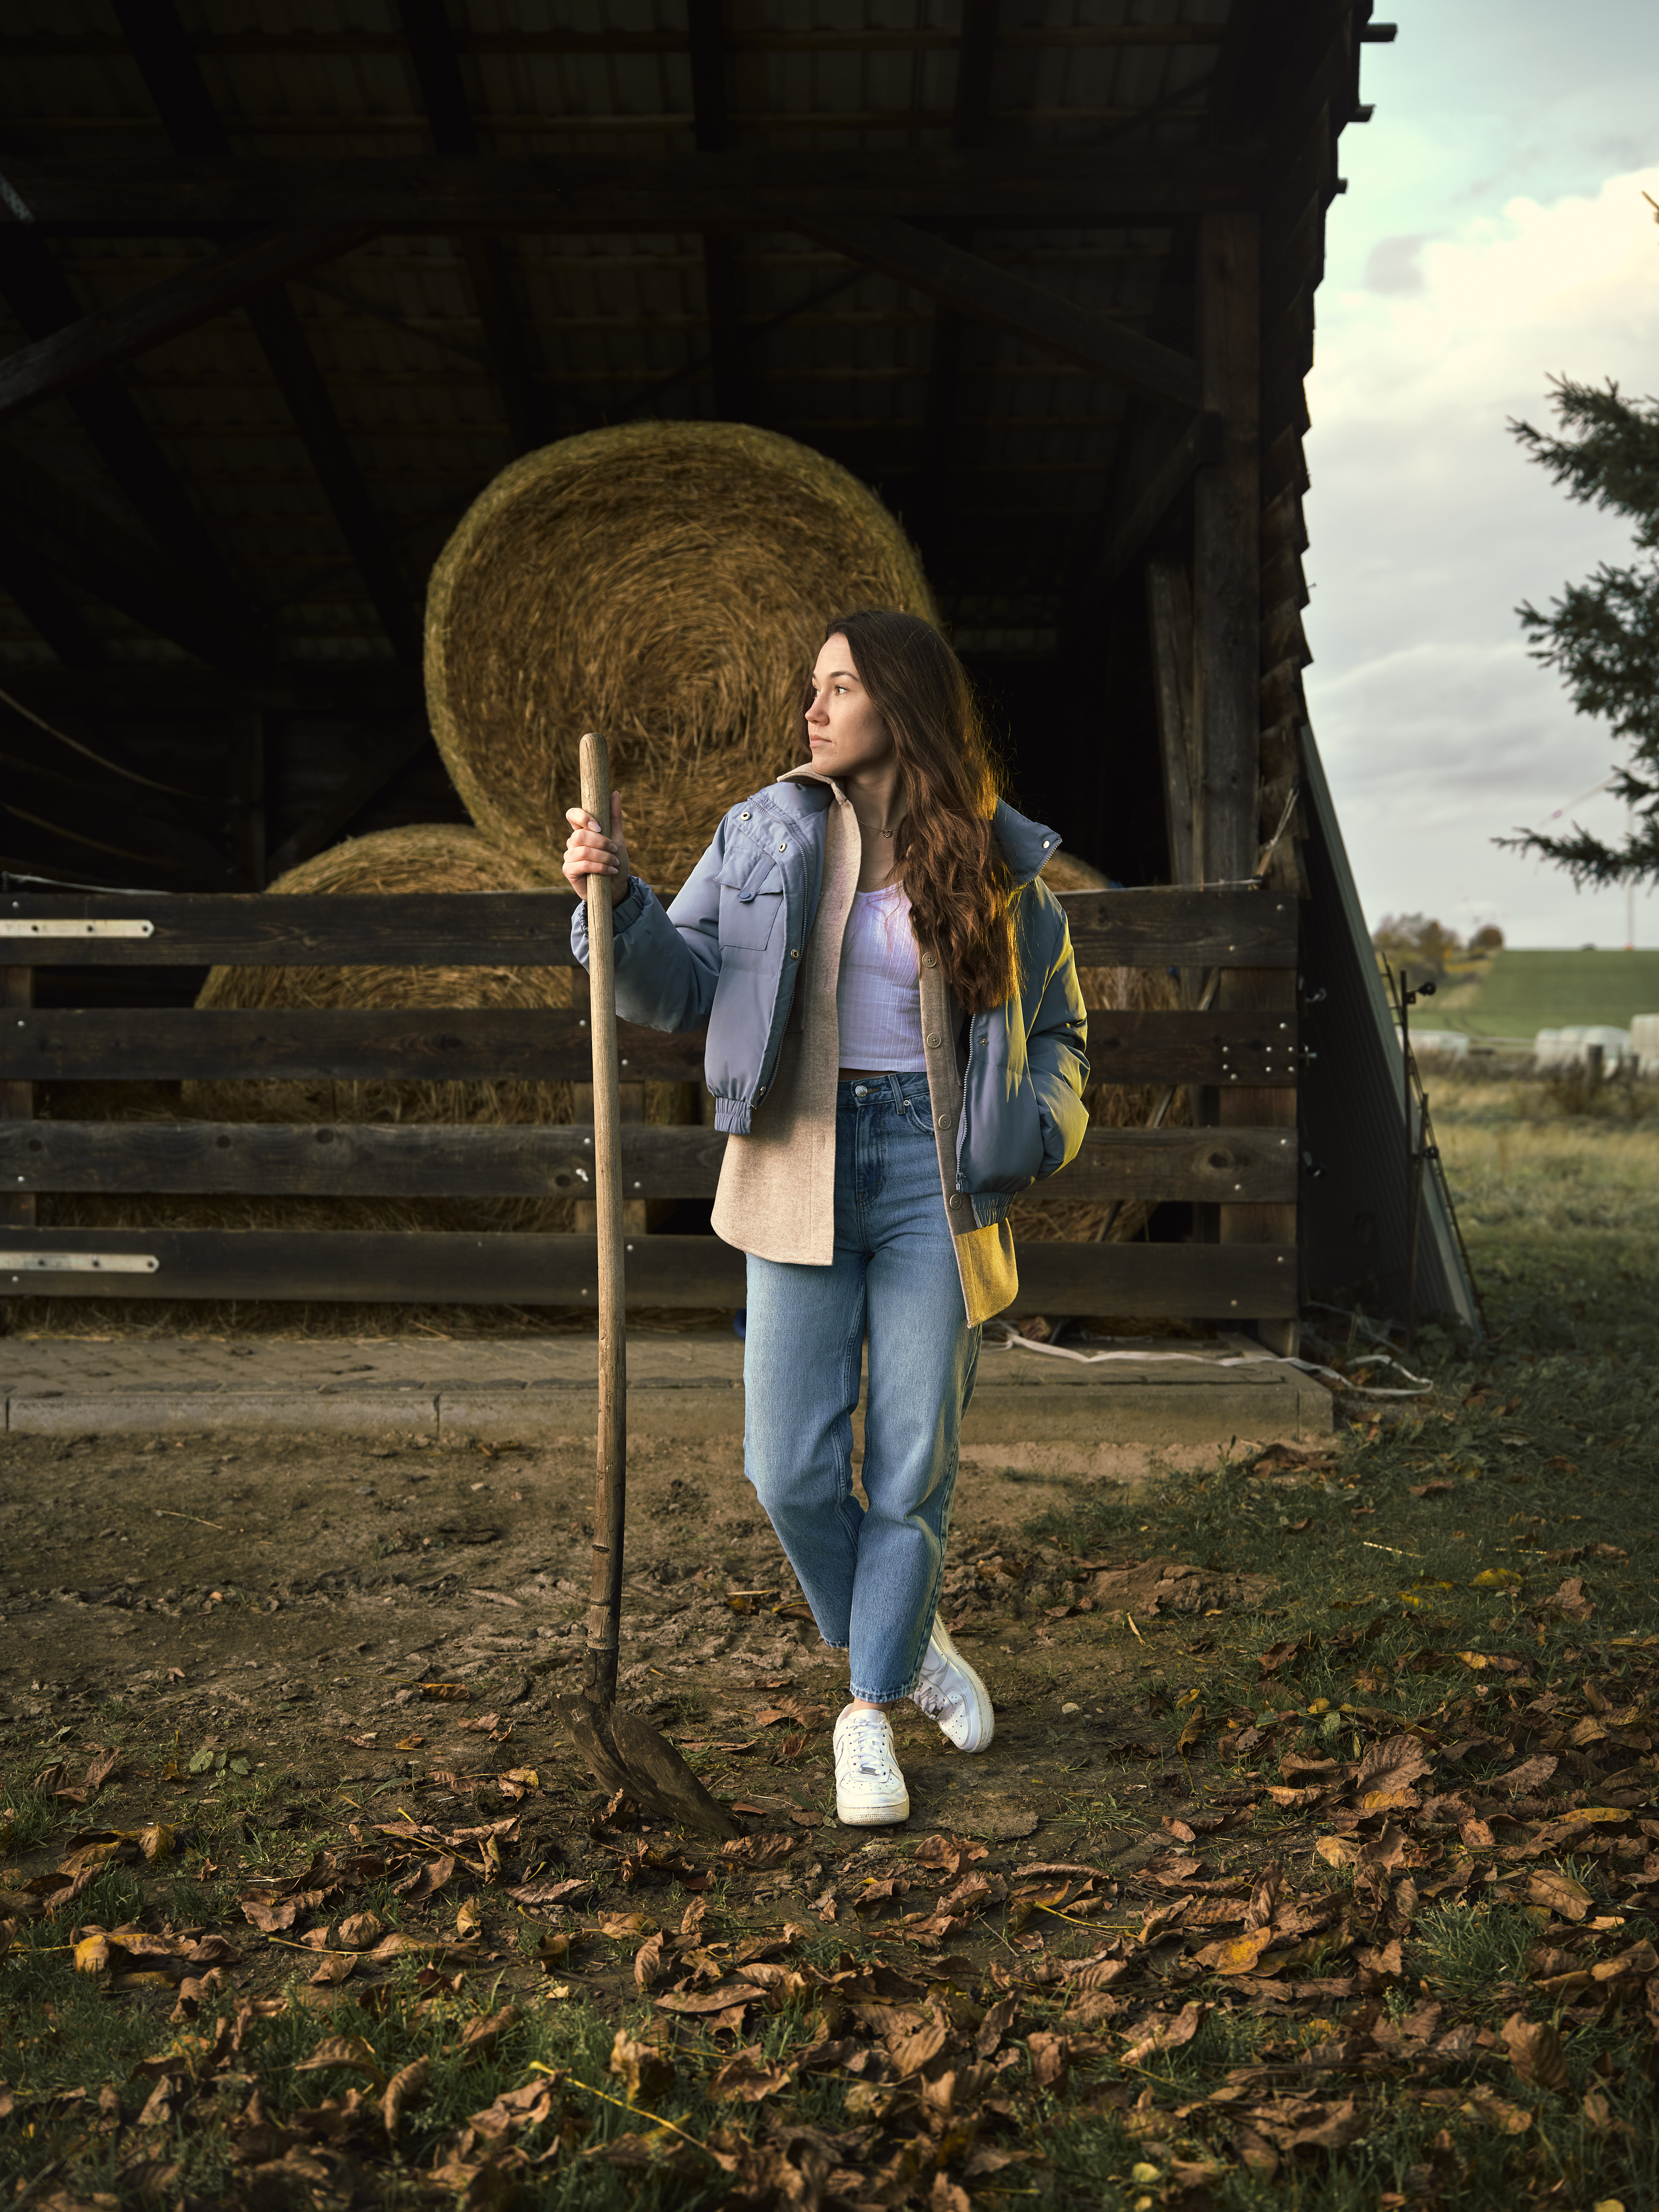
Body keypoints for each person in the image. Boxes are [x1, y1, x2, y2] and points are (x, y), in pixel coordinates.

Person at [563, 607, 1088, 1826]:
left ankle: (865, 1714)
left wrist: (1036, 1123)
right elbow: (678, 986)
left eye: (837, 686)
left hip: (933, 1180)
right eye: (814, 686)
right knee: (786, 1464)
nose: (812, 707)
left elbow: (1059, 1034)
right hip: (799, 1155)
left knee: (911, 1465)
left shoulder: (996, 862)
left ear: (897, 706)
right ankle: (907, 1644)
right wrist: (619, 898)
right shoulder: (759, 832)